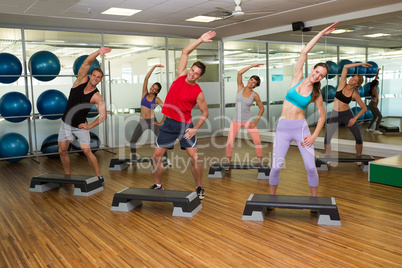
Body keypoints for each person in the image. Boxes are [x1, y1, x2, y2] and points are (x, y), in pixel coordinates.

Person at [269, 22, 338, 197]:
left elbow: (322, 117)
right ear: (313, 69)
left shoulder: (316, 93)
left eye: (321, 75)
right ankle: (271, 197)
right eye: (317, 71)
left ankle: (314, 199)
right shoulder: (297, 77)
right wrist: (321, 33)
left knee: (310, 166)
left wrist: (314, 136)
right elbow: (304, 52)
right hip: (283, 127)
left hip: (301, 129)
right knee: (276, 166)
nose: (317, 76)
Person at [150, 31, 216, 200]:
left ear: (199, 77)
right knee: (156, 156)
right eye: (192, 70)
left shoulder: (198, 92)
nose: (191, 74)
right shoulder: (180, 76)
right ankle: (158, 185)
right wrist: (201, 40)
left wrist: (194, 128)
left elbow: (205, 113)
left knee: (194, 157)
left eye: (196, 74)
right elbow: (185, 52)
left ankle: (199, 186)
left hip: (185, 126)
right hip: (169, 124)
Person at [58, 47, 111, 182]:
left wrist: (90, 126)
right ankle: (67, 176)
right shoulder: (79, 81)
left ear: (100, 80)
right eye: (94, 75)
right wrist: (99, 51)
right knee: (62, 150)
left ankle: (99, 176)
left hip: (80, 126)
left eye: (99, 78)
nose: (96, 78)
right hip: (65, 123)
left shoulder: (97, 96)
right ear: (90, 76)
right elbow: (87, 63)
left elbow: (103, 115)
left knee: (87, 151)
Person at [324, 62, 370, 156]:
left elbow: (364, 108)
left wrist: (354, 118)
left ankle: (359, 157)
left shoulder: (354, 94)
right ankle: (327, 155)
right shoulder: (342, 83)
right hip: (335, 114)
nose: (351, 80)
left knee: (358, 138)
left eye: (354, 80)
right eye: (353, 77)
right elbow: (345, 66)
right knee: (327, 138)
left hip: (347, 115)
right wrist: (360, 64)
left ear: (357, 84)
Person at [226, 64, 264, 163]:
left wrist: (256, 121)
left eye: (254, 82)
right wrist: (252, 66)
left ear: (255, 85)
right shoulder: (240, 87)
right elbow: (239, 73)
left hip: (248, 120)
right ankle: (228, 161)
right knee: (229, 142)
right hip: (236, 120)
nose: (251, 83)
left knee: (257, 141)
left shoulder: (255, 95)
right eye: (251, 80)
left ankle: (260, 162)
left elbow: (262, 108)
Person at [130, 64, 167, 160]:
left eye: (155, 89)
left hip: (152, 121)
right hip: (142, 122)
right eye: (152, 86)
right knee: (133, 141)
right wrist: (154, 67)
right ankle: (133, 158)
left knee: (161, 140)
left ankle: (166, 159)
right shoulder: (144, 93)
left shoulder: (157, 99)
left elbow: (167, 110)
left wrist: (161, 122)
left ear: (156, 92)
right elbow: (146, 78)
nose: (152, 89)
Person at [366, 68, 383, 134]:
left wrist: (378, 71)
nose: (378, 82)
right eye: (378, 82)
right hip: (373, 104)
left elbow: (375, 78)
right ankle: (376, 130)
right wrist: (376, 105)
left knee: (375, 116)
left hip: (370, 104)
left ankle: (368, 128)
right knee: (380, 116)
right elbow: (377, 99)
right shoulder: (375, 90)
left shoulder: (372, 88)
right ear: (376, 84)